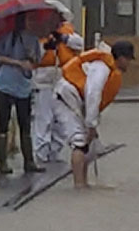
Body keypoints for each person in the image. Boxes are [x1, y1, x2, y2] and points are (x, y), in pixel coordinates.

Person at [50, 41, 134, 188]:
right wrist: (91, 124)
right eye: (128, 59)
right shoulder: (101, 68)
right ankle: (79, 186)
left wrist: (92, 125)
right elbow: (92, 93)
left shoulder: (107, 67)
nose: (129, 63)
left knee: (88, 143)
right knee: (79, 141)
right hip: (65, 99)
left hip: (77, 101)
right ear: (120, 58)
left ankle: (84, 183)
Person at [0, 13, 45, 175]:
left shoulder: (33, 39)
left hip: (24, 85)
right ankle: (3, 162)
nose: (31, 23)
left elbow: (37, 59)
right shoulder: (7, 37)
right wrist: (18, 63)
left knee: (25, 123)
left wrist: (30, 57)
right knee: (3, 121)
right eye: (28, 20)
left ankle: (29, 161)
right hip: (5, 84)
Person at [31, 4, 83, 165]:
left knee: (61, 120)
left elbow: (79, 44)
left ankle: (54, 151)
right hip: (43, 81)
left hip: (63, 79)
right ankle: (41, 153)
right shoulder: (37, 34)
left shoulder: (67, 33)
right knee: (43, 118)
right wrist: (47, 47)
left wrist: (63, 39)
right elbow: (33, 54)